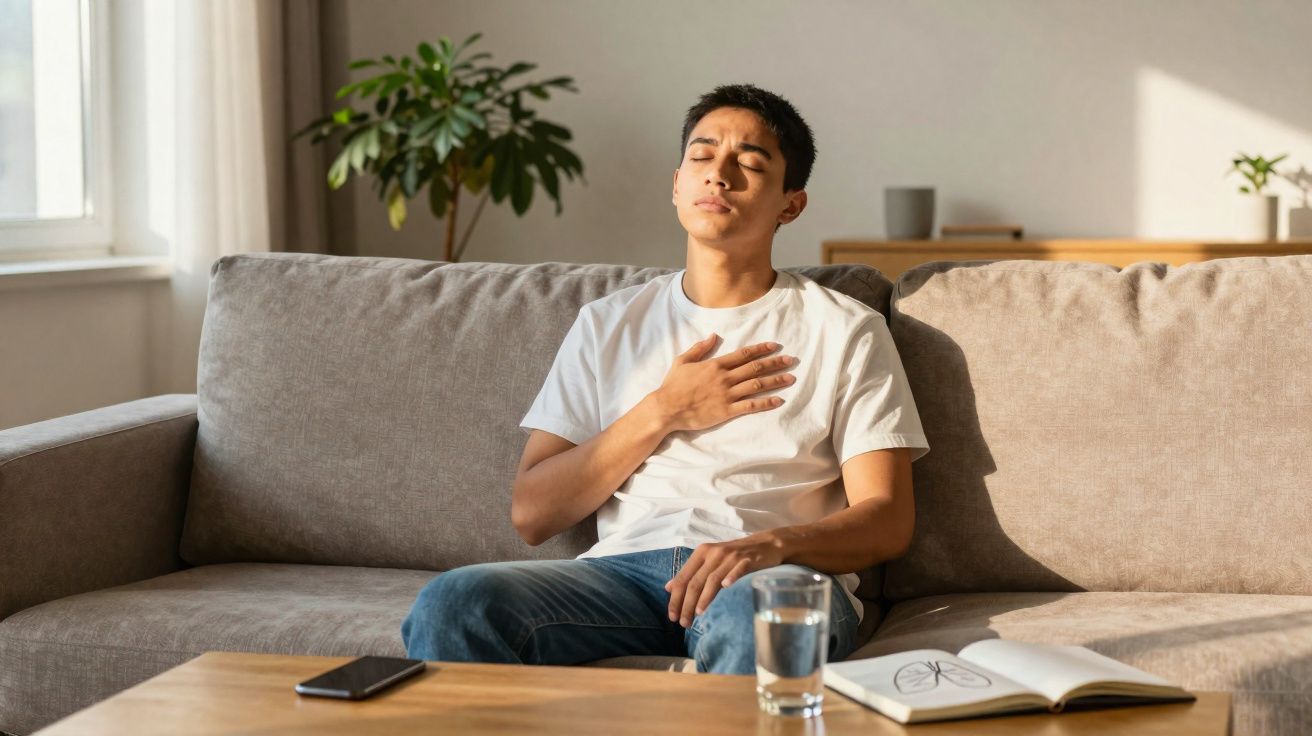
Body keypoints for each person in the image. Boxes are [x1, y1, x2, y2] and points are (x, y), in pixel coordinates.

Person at [401, 83, 930, 674]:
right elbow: (533, 513)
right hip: (621, 575)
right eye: (702, 157)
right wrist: (663, 410)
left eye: (750, 163)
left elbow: (887, 518)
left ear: (790, 204)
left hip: (769, 575)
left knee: (755, 620)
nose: (719, 175)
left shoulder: (845, 329)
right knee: (456, 603)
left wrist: (770, 546)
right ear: (676, 183)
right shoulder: (607, 323)